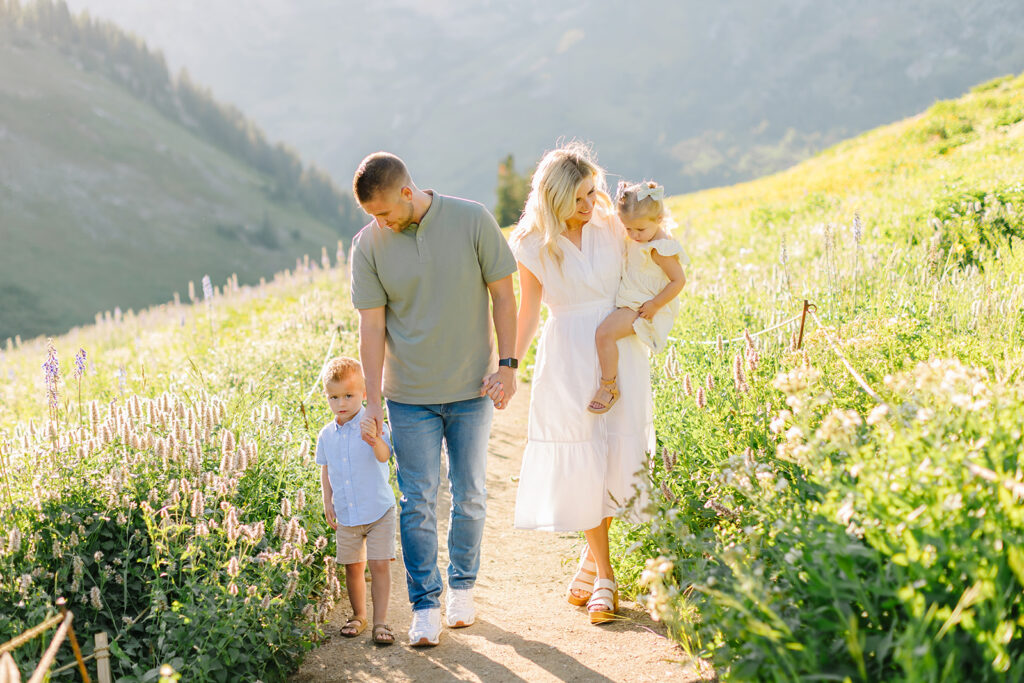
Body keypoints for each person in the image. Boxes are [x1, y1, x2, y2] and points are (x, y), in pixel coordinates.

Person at [349, 152, 518, 646]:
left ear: (406, 191)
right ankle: (425, 604)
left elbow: (504, 297)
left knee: (470, 495)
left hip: (471, 390)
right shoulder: (368, 246)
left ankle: (463, 588)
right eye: (371, 217)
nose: (379, 223)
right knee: (417, 502)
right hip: (409, 398)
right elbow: (372, 327)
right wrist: (374, 402)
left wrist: (507, 366)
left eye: (382, 212)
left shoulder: (471, 219)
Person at [510, 142, 655, 625]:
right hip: (568, 352)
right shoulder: (530, 243)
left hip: (617, 349)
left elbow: (656, 254)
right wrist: (508, 363)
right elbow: (529, 310)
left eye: (593, 192)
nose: (590, 204)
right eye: (578, 198)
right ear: (553, 199)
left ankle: (592, 560)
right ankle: (607, 574)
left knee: (613, 453)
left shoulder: (613, 226)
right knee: (585, 452)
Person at [316, 356, 396, 645]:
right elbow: (326, 469)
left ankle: (381, 622)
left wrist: (375, 440)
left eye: (348, 395)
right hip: (348, 512)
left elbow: (385, 457)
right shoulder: (326, 435)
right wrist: (328, 501)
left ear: (364, 393)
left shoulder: (372, 422)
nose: (341, 403)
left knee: (379, 565)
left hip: (378, 510)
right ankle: (359, 615)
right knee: (353, 566)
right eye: (334, 397)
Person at [588, 180, 688, 413]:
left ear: (659, 219)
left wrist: (655, 304)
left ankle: (609, 386)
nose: (633, 235)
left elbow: (679, 281)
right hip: (633, 298)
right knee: (604, 334)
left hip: (644, 305)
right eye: (628, 229)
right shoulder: (642, 235)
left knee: (604, 335)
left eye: (639, 229)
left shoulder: (660, 248)